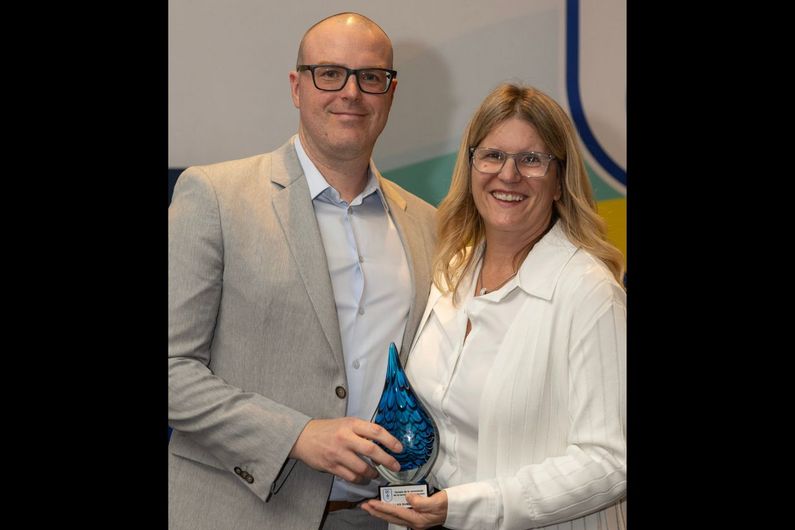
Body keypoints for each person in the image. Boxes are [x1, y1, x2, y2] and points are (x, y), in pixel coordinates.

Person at [168, 12, 437, 530]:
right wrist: (296, 434)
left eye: (370, 77)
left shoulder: (431, 225)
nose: (351, 93)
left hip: (386, 518)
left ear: (391, 92)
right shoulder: (215, 197)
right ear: (297, 86)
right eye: (329, 73)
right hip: (240, 513)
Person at [361, 83, 626, 529]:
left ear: (560, 180)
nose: (509, 175)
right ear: (471, 168)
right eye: (493, 156)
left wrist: (469, 506)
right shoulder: (452, 271)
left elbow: (611, 460)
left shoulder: (589, 292)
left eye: (532, 159)